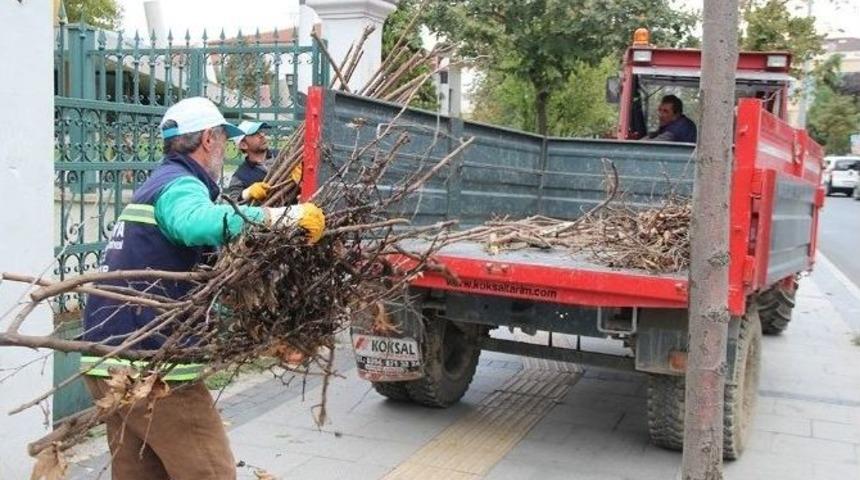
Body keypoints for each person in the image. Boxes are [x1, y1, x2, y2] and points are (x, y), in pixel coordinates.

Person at [80, 97, 324, 480]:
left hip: (107, 360)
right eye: (224, 139)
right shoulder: (179, 185)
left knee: (140, 474)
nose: (226, 149)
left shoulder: (160, 183)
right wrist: (283, 217)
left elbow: (185, 226)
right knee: (210, 472)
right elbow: (194, 222)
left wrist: (242, 200)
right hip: (154, 369)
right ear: (208, 139)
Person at [225, 120, 302, 203]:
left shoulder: (285, 157)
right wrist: (248, 192)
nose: (262, 135)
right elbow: (234, 202)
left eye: (260, 131)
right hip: (267, 211)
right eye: (254, 134)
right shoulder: (240, 177)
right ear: (243, 145)